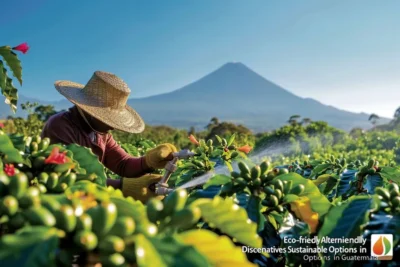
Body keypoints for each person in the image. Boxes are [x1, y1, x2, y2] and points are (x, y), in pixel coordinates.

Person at [41, 71, 177, 202]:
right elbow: (71, 177)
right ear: (91, 112)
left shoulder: (100, 133)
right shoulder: (61, 126)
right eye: (107, 119)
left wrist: (148, 161)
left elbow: (123, 164)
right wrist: (121, 187)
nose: (112, 126)